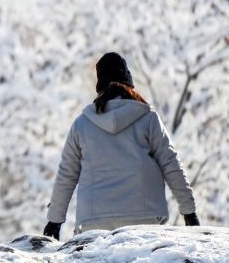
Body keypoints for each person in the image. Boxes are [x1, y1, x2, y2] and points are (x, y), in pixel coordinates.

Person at [43, 52, 200, 239]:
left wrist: (55, 220)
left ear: (100, 86)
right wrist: (189, 211)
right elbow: (171, 164)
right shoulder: (148, 119)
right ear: (128, 83)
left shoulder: (82, 124)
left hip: (95, 221)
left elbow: (66, 175)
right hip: (144, 219)